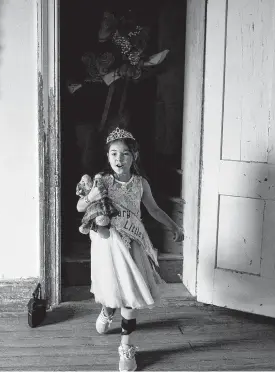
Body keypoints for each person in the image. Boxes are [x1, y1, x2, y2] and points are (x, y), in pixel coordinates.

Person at [76, 127, 184, 371]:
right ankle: (107, 310)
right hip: (108, 241)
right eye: (114, 154)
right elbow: (80, 207)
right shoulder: (101, 180)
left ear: (134, 156)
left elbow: (154, 209)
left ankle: (126, 346)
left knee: (131, 291)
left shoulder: (140, 183)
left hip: (132, 241)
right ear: (107, 157)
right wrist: (92, 196)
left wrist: (173, 224)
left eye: (125, 154)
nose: (119, 159)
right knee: (113, 285)